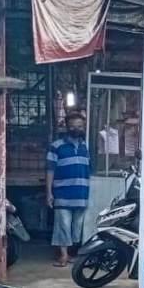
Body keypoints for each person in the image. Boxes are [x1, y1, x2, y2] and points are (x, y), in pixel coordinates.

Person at [46, 112, 90, 267]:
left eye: (79, 126)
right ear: (66, 127)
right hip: (62, 193)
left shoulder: (86, 146)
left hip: (82, 193)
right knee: (63, 225)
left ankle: (71, 253)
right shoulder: (56, 146)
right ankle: (63, 255)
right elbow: (50, 170)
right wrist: (49, 192)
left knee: (77, 227)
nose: (76, 129)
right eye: (73, 126)